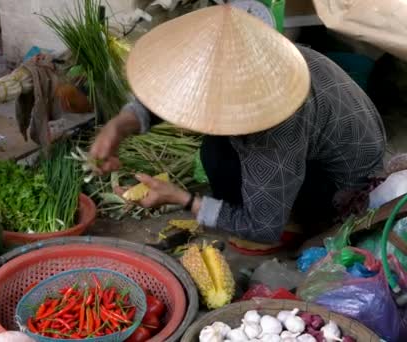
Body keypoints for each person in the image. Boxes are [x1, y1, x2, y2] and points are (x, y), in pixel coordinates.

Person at [89, 5, 386, 243]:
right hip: (332, 138)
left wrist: (182, 198)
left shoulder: (276, 128)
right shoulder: (269, 57)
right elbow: (175, 89)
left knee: (224, 167)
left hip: (344, 185)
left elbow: (263, 228)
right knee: (215, 151)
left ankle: (300, 219)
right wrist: (119, 125)